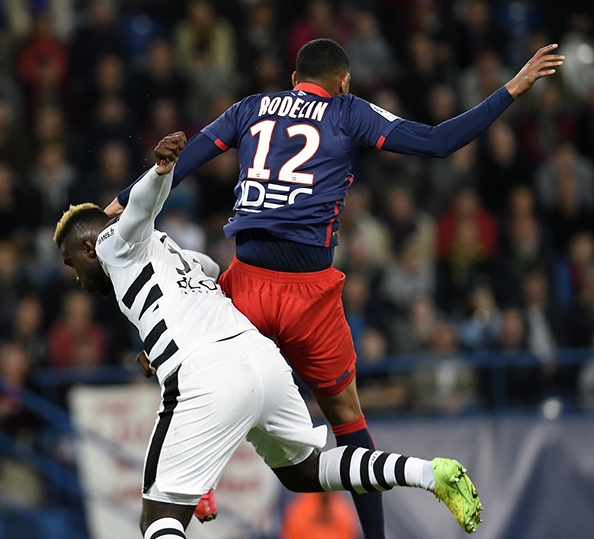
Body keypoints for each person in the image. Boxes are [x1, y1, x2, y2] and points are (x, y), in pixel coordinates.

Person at [104, 39, 562, 538]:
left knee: (193, 368)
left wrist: (120, 202)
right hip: (310, 295)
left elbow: (186, 159)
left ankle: (200, 484)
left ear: (295, 76)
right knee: (347, 419)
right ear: (343, 81)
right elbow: (437, 142)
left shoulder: (251, 108)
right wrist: (512, 89)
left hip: (246, 285)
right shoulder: (349, 112)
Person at [57, 133, 482, 539]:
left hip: (205, 373)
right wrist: (158, 347)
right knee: (307, 472)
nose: (76, 276)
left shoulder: (111, 244)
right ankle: (428, 473)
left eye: (71, 262)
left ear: (88, 248)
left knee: (157, 517)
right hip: (261, 359)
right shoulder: (170, 251)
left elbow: (135, 215)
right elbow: (204, 271)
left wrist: (161, 171)